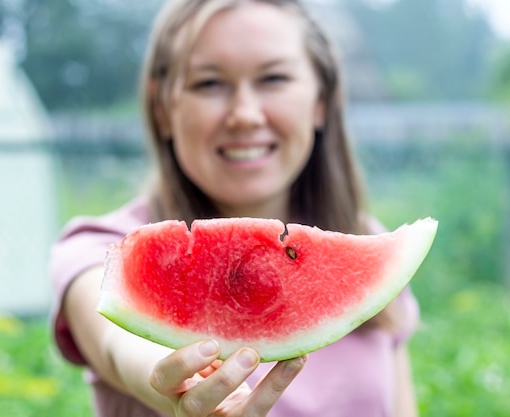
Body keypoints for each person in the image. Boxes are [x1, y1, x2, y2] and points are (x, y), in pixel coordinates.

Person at [49, 0, 421, 416]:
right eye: (209, 84)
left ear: (321, 100)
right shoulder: (98, 250)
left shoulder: (370, 248)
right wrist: (168, 382)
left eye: (274, 78)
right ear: (163, 109)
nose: (244, 115)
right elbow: (116, 344)